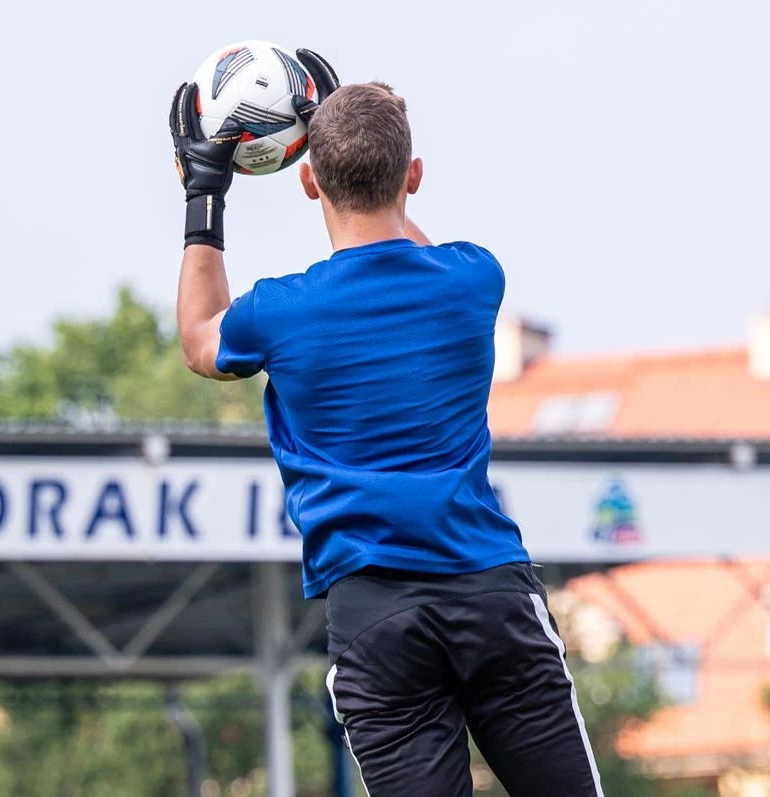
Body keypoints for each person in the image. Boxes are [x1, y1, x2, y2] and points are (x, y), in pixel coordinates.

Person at [169, 51, 604, 797]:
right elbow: (412, 247)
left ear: (308, 180)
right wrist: (358, 129)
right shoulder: (474, 276)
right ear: (415, 176)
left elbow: (199, 337)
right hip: (491, 593)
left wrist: (204, 195)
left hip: (375, 617)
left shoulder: (278, 311)